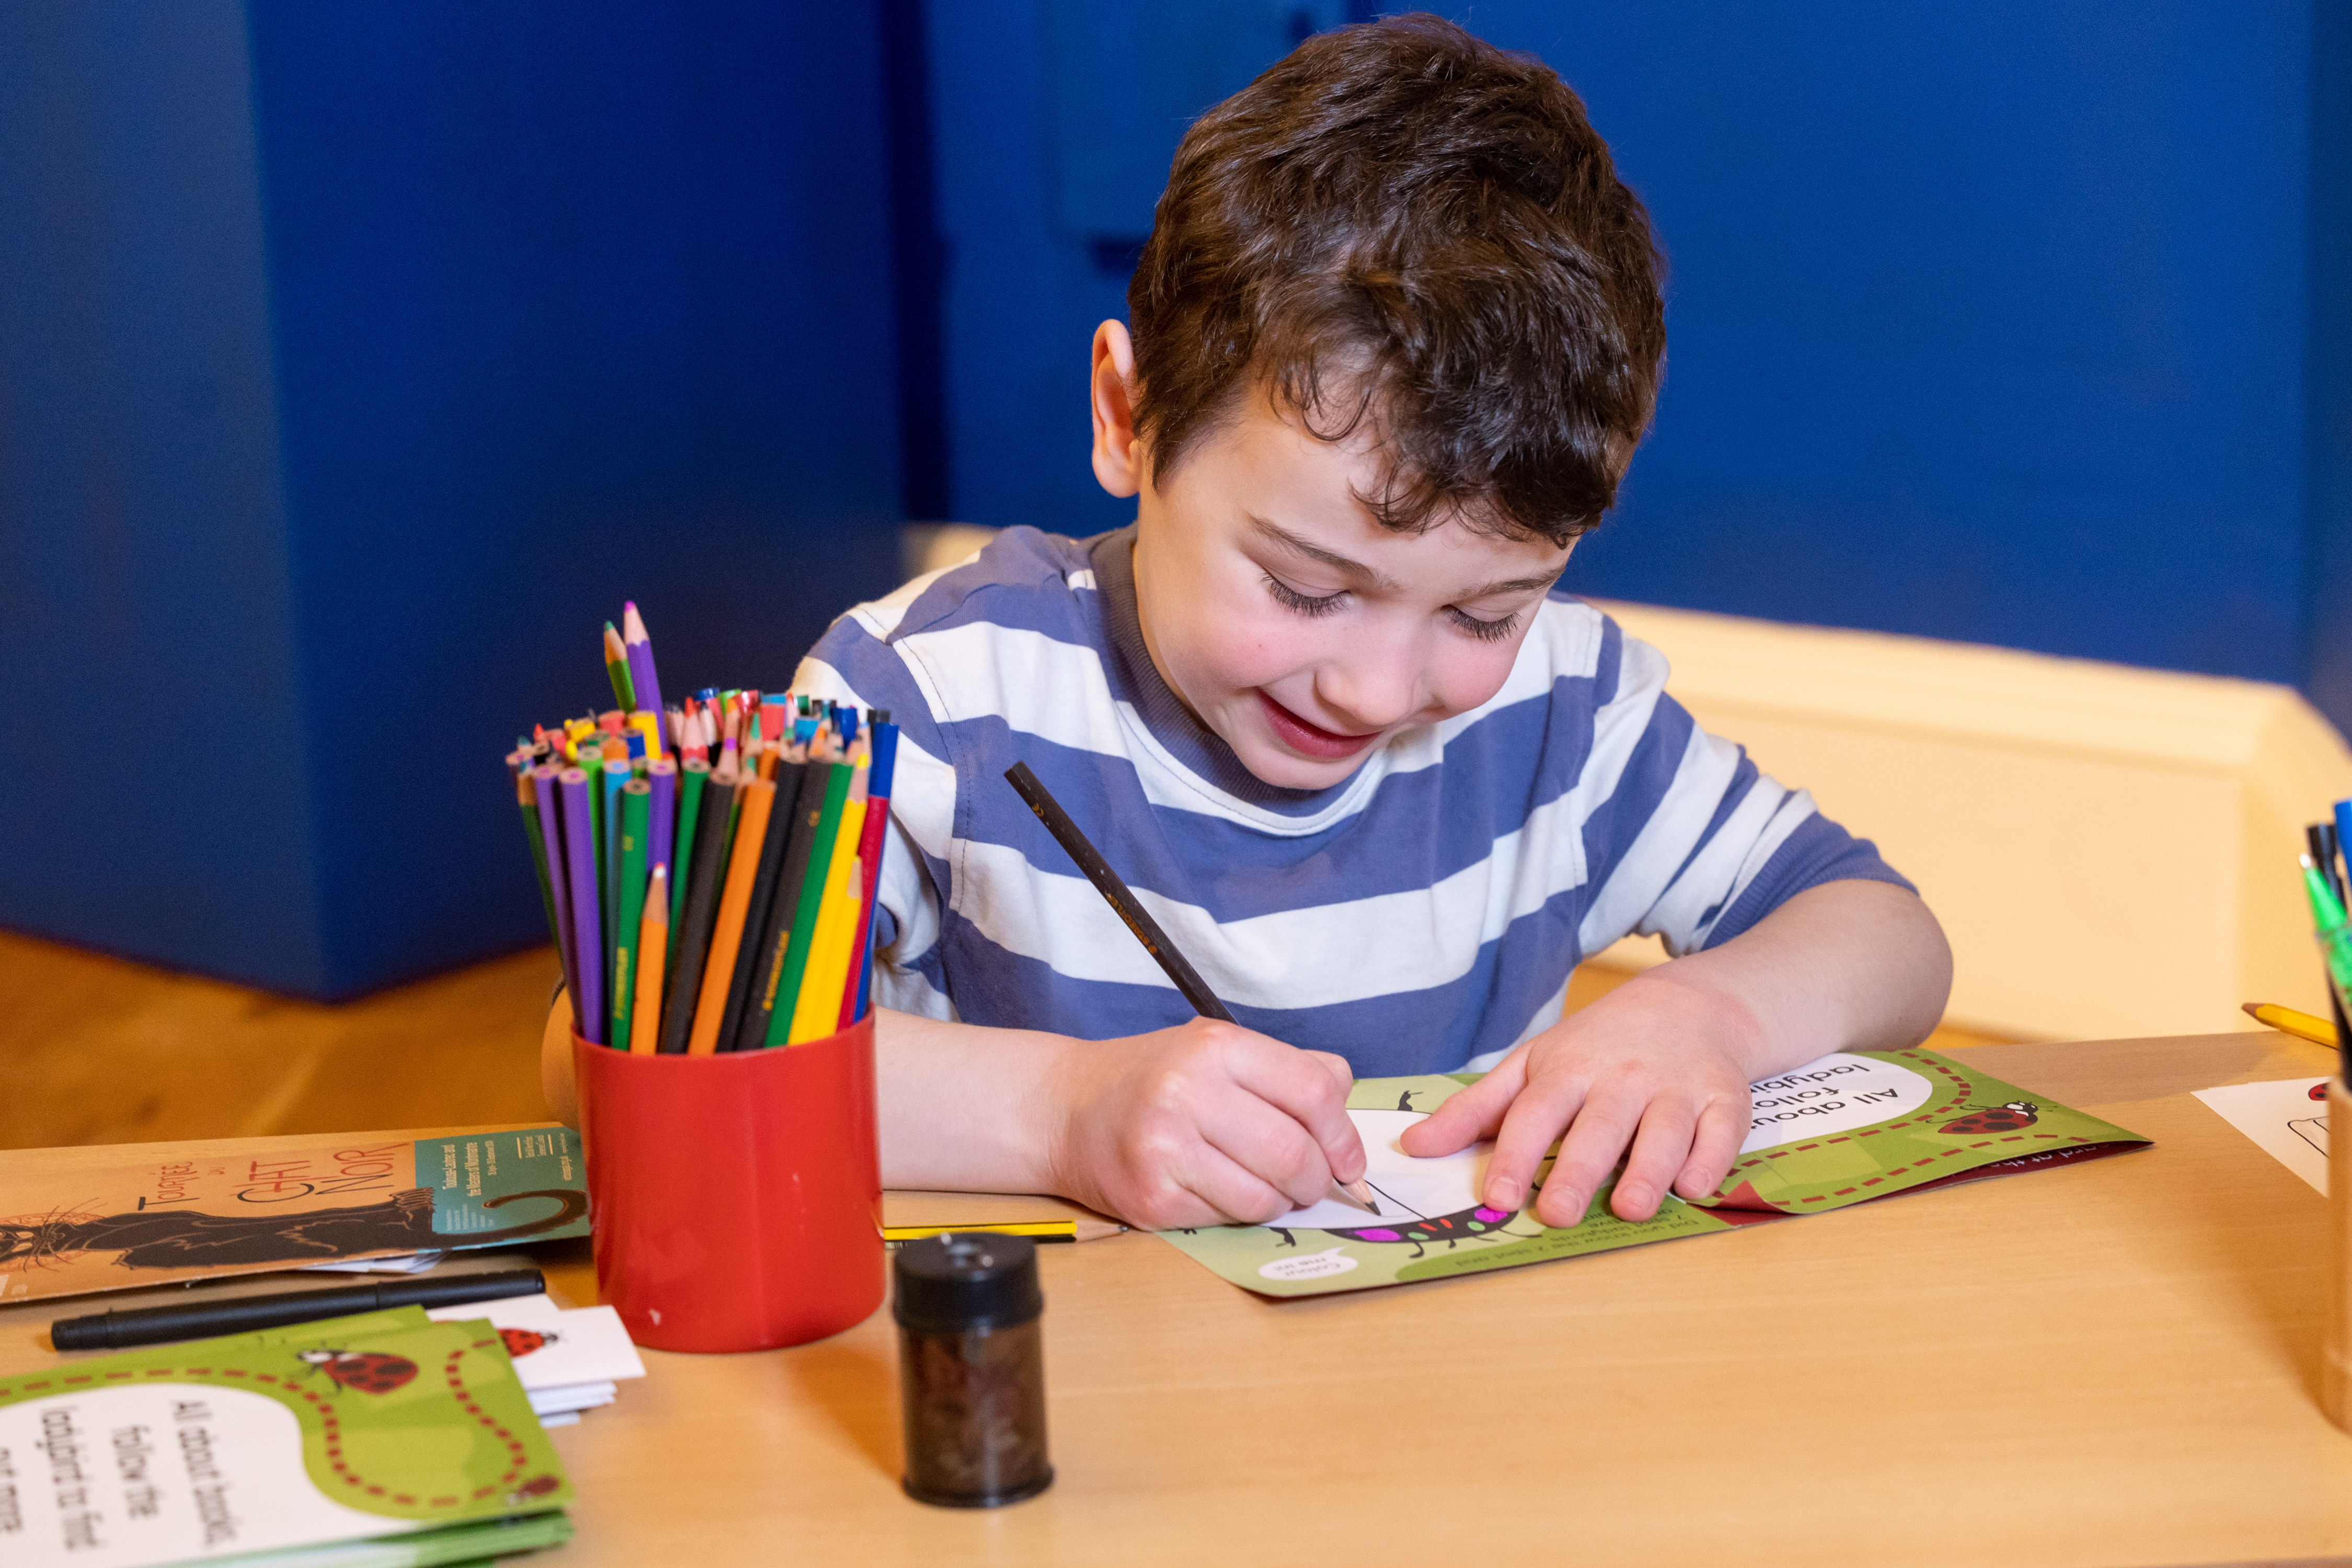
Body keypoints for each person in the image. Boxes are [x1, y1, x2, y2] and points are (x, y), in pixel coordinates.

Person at [546, 14, 1952, 1233]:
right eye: (1301, 586)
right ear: (1127, 415)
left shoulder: (1562, 718)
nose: (1372, 685)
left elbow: (1886, 933)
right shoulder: (938, 695)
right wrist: (1058, 1113)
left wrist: (1708, 1016)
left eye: (1481, 609)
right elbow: (612, 1069)